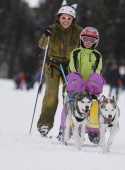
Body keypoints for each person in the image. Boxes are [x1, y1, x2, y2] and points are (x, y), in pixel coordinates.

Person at [37, 0, 83, 137]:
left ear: (73, 20)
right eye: (63, 18)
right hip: (53, 65)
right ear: (59, 17)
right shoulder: (53, 29)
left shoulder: (79, 31)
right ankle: (44, 124)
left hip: (70, 66)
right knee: (51, 95)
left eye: (69, 18)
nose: (66, 21)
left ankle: (69, 125)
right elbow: (41, 45)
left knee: (70, 95)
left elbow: (88, 45)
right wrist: (46, 35)